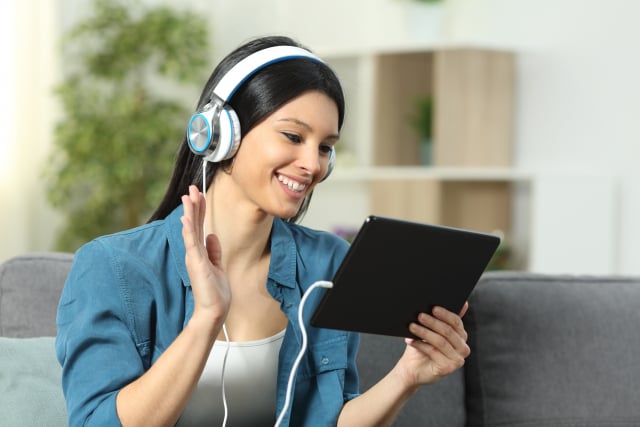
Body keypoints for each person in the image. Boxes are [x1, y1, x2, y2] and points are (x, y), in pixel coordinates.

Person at [55, 35, 470, 427]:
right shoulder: (113, 268)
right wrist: (206, 318)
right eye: (293, 136)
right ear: (220, 133)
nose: (313, 164)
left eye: (325, 147)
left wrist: (407, 377)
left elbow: (328, 419)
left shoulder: (326, 265)